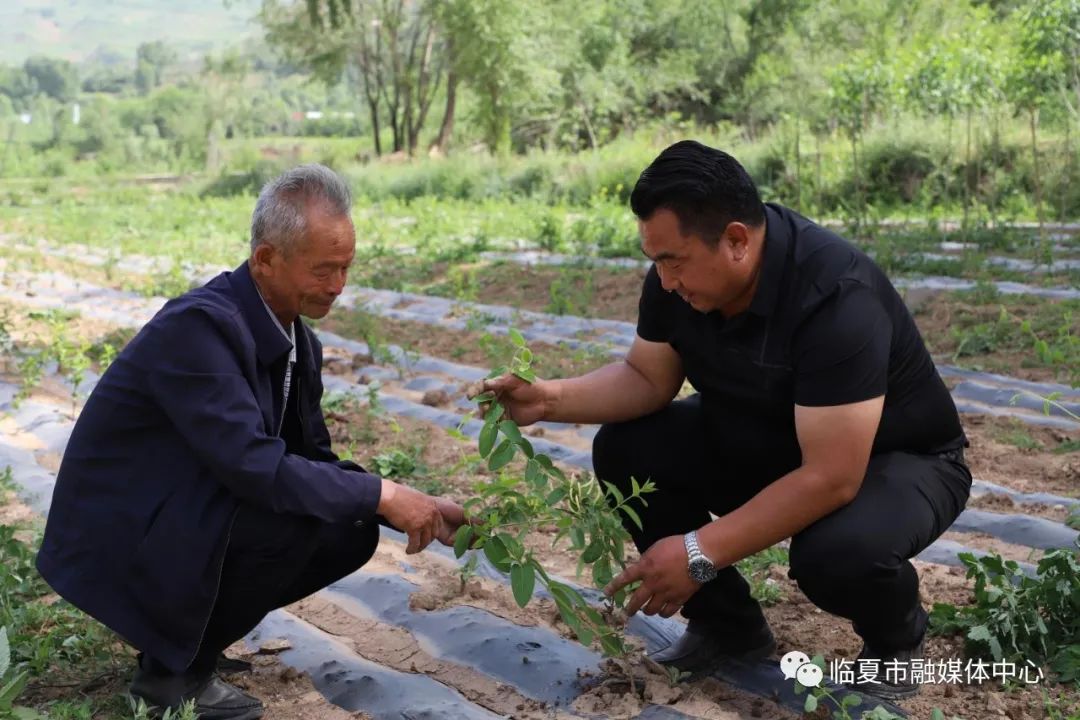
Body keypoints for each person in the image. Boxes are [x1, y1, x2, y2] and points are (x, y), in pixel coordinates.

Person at [486, 141, 971, 701]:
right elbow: (646, 378)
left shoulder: (836, 295)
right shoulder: (677, 282)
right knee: (628, 448)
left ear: (737, 240)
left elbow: (833, 476)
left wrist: (697, 552)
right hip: (770, 434)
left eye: (674, 260)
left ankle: (897, 642)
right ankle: (728, 626)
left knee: (836, 554)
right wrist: (546, 399)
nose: (664, 279)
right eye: (656, 261)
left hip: (897, 460)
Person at [36, 164, 467, 720]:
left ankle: (192, 649)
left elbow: (311, 460)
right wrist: (382, 493)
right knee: (289, 522)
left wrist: (410, 504)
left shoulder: (296, 340)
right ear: (265, 259)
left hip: (182, 510)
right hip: (120, 533)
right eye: (322, 270)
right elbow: (254, 466)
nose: (338, 286)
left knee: (347, 525)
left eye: (345, 269)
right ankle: (168, 677)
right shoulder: (200, 328)